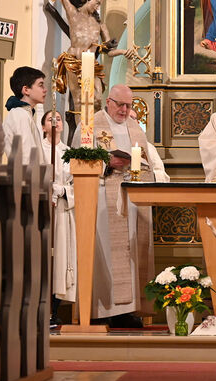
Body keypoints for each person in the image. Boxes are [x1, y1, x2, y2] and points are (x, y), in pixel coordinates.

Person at [73, 84, 170, 326]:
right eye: (120, 105)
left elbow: (148, 162)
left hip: (131, 198)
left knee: (129, 255)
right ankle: (102, 311)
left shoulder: (134, 127)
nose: (125, 110)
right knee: (107, 255)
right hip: (102, 200)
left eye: (129, 105)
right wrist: (107, 163)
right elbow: (75, 163)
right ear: (108, 102)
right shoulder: (90, 125)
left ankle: (128, 311)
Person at [50, 0, 124, 113]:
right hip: (73, 61)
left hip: (90, 63)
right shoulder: (73, 14)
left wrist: (122, 51)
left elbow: (110, 52)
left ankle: (94, 127)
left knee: (97, 99)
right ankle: (81, 128)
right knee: (79, 101)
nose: (98, 7)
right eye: (97, 3)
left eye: (100, 5)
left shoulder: (100, 24)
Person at [43, 110, 76, 325]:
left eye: (58, 119)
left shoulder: (68, 152)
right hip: (45, 209)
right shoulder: (38, 149)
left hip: (63, 210)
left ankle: (54, 310)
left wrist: (63, 191)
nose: (55, 121)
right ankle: (41, 307)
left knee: (61, 259)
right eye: (50, 119)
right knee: (45, 257)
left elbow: (76, 183)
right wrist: (50, 189)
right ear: (43, 126)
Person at [2, 66, 46, 166]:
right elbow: (27, 157)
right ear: (26, 90)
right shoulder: (19, 114)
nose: (45, 90)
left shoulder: (25, 114)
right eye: (41, 85)